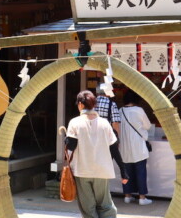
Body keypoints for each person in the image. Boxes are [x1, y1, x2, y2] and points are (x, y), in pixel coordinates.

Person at [65, 90, 128, 218]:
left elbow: (70, 146)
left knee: (88, 208)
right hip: (102, 170)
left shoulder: (75, 122)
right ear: (94, 105)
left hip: (82, 170)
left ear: (80, 105)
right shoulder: (105, 123)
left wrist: (66, 141)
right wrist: (123, 170)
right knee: (106, 205)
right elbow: (114, 148)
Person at [119, 90, 153, 206]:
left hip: (124, 146)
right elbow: (147, 126)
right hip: (138, 146)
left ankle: (127, 196)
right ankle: (142, 198)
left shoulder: (120, 111)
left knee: (126, 172)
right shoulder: (139, 110)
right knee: (140, 172)